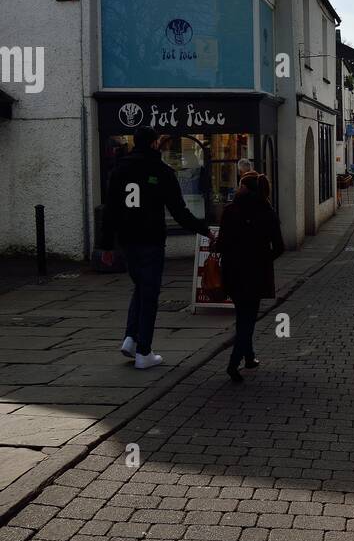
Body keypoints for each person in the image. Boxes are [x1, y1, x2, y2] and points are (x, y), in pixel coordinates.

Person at [101, 126, 208, 370]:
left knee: (141, 286)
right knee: (149, 294)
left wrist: (107, 245)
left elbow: (110, 210)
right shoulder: (161, 171)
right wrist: (203, 229)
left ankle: (131, 338)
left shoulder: (119, 170)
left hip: (127, 240)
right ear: (153, 144)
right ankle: (144, 352)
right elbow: (179, 211)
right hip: (150, 239)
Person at [214, 172, 284, 382]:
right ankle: (236, 361)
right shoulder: (267, 211)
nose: (236, 188)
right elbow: (279, 247)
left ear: (244, 188)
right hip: (256, 272)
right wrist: (264, 259)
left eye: (239, 185)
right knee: (248, 318)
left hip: (233, 271)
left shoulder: (230, 211)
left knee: (242, 316)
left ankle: (248, 356)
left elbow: (222, 244)